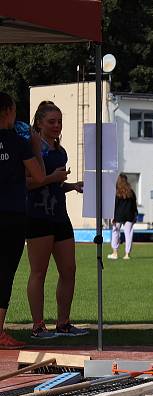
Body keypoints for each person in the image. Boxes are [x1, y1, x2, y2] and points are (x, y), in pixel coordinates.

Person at [26, 101, 88, 339]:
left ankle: (63, 323)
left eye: (59, 121)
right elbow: (26, 183)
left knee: (69, 270)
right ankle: (38, 326)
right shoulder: (32, 150)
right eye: (51, 121)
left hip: (60, 217)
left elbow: (56, 185)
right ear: (39, 123)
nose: (57, 125)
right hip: (37, 217)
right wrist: (52, 178)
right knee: (38, 272)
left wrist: (71, 186)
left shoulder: (61, 152)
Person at [0, 93, 57, 349]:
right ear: (8, 112)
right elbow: (40, 175)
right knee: (5, 273)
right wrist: (35, 144)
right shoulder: (16, 140)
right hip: (10, 214)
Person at [108, 173, 138, 260]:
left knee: (115, 233)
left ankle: (115, 253)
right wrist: (135, 215)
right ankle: (127, 254)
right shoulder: (131, 192)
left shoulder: (116, 192)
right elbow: (134, 206)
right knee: (128, 234)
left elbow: (114, 205)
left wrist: (111, 216)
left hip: (118, 216)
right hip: (129, 215)